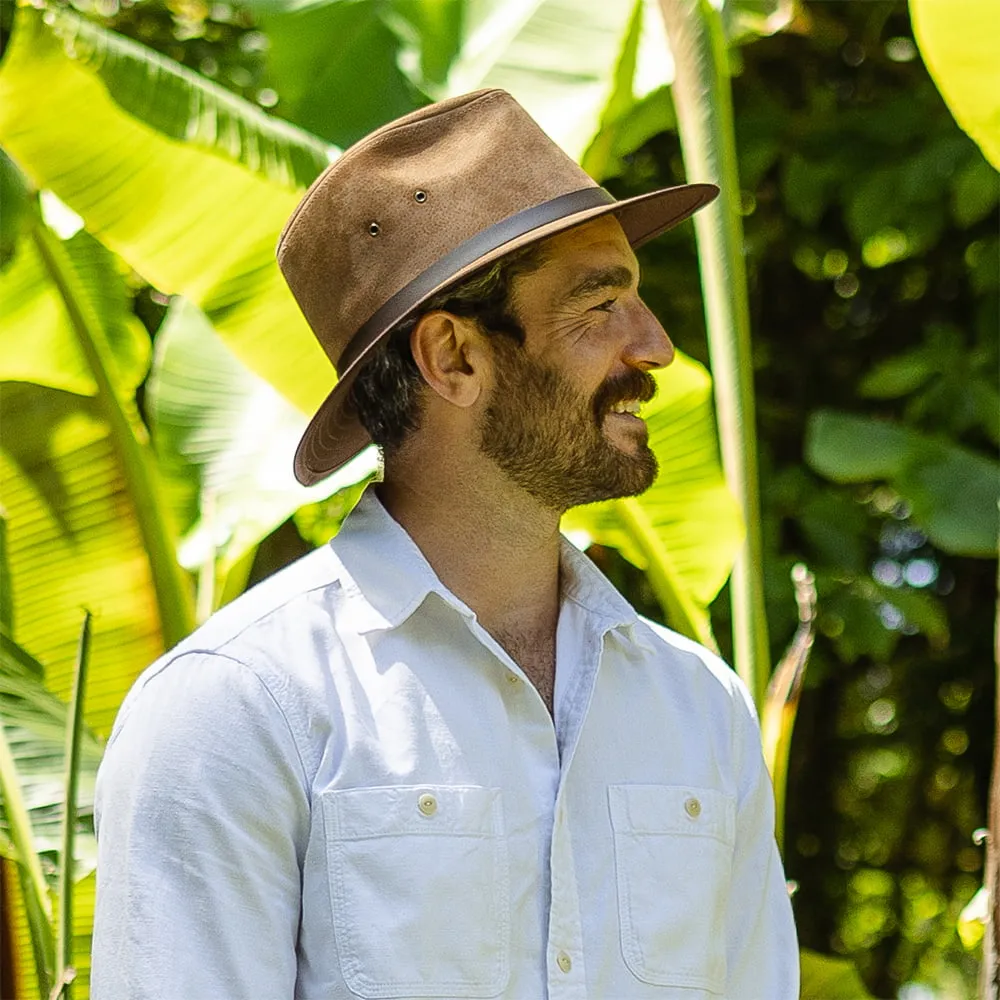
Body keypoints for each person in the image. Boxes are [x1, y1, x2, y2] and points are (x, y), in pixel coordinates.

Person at [92, 89, 798, 999]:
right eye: (601, 306)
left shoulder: (699, 707)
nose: (655, 347)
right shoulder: (238, 709)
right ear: (454, 358)